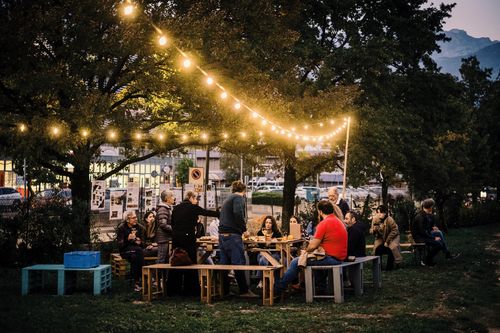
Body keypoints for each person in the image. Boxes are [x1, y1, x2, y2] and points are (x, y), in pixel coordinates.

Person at [276, 200, 348, 294]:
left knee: (295, 261)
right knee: (314, 260)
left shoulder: (324, 223)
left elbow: (313, 245)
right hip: (339, 257)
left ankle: (277, 289)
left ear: (320, 211)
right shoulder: (338, 221)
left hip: (331, 258)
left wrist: (306, 251)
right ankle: (321, 289)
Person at [168, 191, 219, 296]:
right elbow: (207, 212)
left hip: (176, 239)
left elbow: (173, 223)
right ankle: (190, 289)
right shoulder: (193, 207)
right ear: (191, 198)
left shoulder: (176, 208)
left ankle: (173, 289)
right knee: (190, 262)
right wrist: (221, 214)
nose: (197, 201)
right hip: (188, 238)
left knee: (177, 260)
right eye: (196, 199)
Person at [218, 180, 258, 298]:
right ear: (244, 191)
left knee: (224, 264)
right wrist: (244, 229)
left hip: (222, 235)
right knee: (239, 262)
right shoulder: (238, 198)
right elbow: (238, 213)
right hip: (233, 235)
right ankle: (244, 291)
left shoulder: (227, 199)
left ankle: (224, 291)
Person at [411, 198, 453, 266]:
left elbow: (426, 228)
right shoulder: (420, 217)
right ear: (430, 207)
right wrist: (433, 238)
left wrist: (433, 228)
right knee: (439, 244)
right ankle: (428, 260)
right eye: (432, 206)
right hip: (420, 238)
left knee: (438, 233)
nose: (432, 208)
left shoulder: (425, 214)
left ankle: (446, 252)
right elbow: (422, 232)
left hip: (424, 235)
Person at [116, 210, 145, 292]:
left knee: (135, 256)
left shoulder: (139, 227)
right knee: (138, 252)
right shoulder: (122, 228)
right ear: (127, 219)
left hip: (137, 251)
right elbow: (120, 245)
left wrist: (140, 242)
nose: (136, 219)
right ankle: (143, 277)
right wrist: (127, 239)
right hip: (125, 251)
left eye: (136, 217)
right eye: (133, 218)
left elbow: (144, 242)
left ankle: (137, 282)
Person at [370, 205, 402, 270]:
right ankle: (377, 266)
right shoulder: (375, 218)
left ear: (384, 213)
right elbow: (371, 230)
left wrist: (387, 241)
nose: (379, 214)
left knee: (393, 247)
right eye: (378, 212)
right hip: (381, 237)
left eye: (380, 213)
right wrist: (374, 230)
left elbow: (395, 230)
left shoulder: (390, 219)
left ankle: (398, 263)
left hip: (393, 236)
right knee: (376, 248)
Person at [255, 215, 283, 288]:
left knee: (262, 260)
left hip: (274, 254)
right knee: (262, 258)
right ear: (264, 223)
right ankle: (268, 280)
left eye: (270, 223)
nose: (268, 224)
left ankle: (262, 280)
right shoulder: (260, 233)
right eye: (266, 222)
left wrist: (275, 241)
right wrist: (264, 242)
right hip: (263, 253)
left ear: (273, 224)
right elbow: (259, 245)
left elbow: (280, 245)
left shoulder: (277, 233)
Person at [155, 190, 175, 264]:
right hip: (163, 238)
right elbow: (163, 224)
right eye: (172, 196)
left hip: (166, 238)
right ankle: (155, 275)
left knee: (166, 261)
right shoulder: (163, 209)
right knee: (161, 260)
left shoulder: (168, 208)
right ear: (166, 198)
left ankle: (163, 276)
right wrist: (175, 229)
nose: (174, 198)